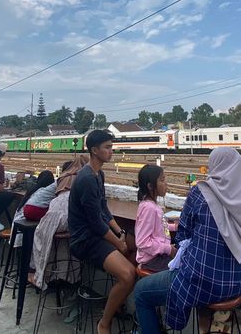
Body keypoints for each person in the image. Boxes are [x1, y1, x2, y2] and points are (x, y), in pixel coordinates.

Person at [133, 148, 241, 334]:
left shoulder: (200, 193)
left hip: (202, 281)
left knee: (140, 293)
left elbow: (184, 234)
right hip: (238, 284)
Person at [69, 130, 135, 334]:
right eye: (107, 147)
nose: (111, 151)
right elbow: (96, 224)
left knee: (134, 248)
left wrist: (119, 231)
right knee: (128, 275)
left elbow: (103, 208)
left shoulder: (98, 173)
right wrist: (119, 243)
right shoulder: (87, 178)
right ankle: (104, 322)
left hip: (97, 235)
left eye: (111, 147)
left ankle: (117, 303)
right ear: (94, 150)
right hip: (85, 240)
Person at [28, 156, 87, 290]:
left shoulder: (64, 178)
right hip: (64, 222)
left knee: (49, 241)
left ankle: (43, 274)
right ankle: (67, 279)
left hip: (48, 221)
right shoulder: (83, 179)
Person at [135, 164, 176, 273]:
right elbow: (142, 242)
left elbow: (159, 226)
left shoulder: (153, 206)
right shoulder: (149, 208)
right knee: (181, 271)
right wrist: (168, 249)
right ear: (150, 186)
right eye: (162, 180)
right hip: (153, 260)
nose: (166, 183)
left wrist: (174, 227)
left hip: (157, 256)